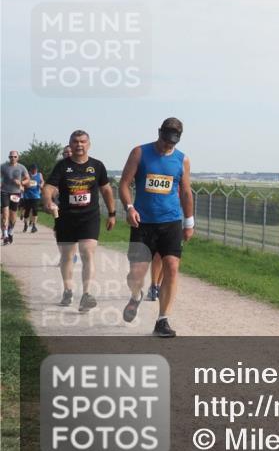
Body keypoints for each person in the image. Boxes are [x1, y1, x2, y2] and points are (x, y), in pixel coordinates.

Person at [120, 117, 194, 338]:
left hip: (171, 221)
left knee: (171, 267)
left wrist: (189, 221)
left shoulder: (182, 160)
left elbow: (186, 191)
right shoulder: (140, 153)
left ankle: (162, 320)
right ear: (159, 133)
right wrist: (130, 207)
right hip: (143, 222)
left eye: (171, 143)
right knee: (136, 273)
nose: (166, 146)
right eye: (164, 140)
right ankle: (135, 296)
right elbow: (124, 183)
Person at [41, 131, 116, 311]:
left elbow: (106, 190)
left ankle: (87, 294)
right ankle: (68, 290)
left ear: (89, 144)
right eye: (75, 142)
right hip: (66, 217)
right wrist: (48, 202)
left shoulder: (97, 166)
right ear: (70, 144)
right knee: (67, 255)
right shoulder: (62, 166)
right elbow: (48, 187)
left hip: (89, 217)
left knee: (87, 252)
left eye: (83, 141)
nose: (79, 145)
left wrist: (112, 213)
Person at [2, 150, 30, 245]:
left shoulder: (22, 167)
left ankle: (11, 231)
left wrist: (22, 183)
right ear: (8, 157)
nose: (12, 158)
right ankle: (5, 235)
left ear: (18, 157)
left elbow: (28, 179)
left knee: (13, 215)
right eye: (11, 156)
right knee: (5, 214)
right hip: (4, 192)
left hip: (15, 193)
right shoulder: (3, 166)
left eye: (14, 156)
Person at [21, 164, 44, 233]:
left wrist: (41, 185)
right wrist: (24, 186)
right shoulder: (27, 175)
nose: (34, 171)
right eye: (33, 170)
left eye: (35, 169)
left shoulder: (39, 174)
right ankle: (25, 224)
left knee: (35, 210)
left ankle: (34, 226)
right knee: (27, 211)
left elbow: (42, 181)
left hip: (36, 195)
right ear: (30, 170)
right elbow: (22, 182)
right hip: (27, 195)